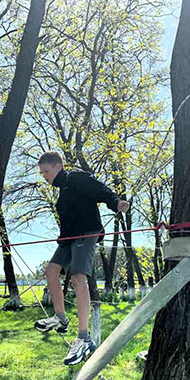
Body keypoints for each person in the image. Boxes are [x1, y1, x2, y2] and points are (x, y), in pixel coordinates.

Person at [34, 151, 130, 367]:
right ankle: (60, 318)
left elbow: (101, 190)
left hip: (86, 233)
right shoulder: (63, 190)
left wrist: (116, 203)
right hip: (68, 239)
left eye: (46, 171)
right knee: (51, 271)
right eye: (42, 173)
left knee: (78, 278)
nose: (45, 176)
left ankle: (84, 338)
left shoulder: (75, 177)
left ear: (58, 166)